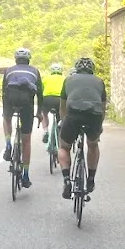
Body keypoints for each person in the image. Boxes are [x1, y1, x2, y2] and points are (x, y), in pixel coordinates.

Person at [59, 56, 106, 200]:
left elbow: (63, 105)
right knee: (92, 144)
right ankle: (91, 178)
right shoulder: (100, 82)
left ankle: (67, 179)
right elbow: (103, 107)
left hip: (73, 114)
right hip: (94, 115)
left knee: (64, 147)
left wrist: (63, 121)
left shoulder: (68, 80)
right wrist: (100, 126)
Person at [0, 47, 43, 187]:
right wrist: (39, 112)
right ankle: (25, 175)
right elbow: (40, 94)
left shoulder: (8, 70)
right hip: (27, 106)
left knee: (6, 119)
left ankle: (8, 144)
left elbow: (3, 91)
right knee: (26, 141)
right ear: (28, 60)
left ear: (15, 59)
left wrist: (6, 111)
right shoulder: (35, 71)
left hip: (10, 102)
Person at [40, 62, 65, 143]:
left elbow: (41, 90)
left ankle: (45, 131)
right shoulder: (65, 78)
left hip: (47, 98)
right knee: (61, 115)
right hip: (60, 99)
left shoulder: (46, 78)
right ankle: (60, 127)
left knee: (44, 113)